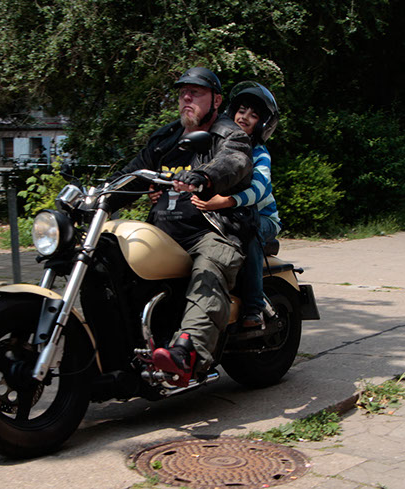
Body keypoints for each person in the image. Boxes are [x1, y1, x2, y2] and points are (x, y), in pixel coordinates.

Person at [110, 67, 253, 387]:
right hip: (163, 234)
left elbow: (233, 161)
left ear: (216, 100)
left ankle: (186, 354)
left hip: (211, 231)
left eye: (196, 92)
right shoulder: (165, 139)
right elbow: (132, 174)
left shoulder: (230, 135)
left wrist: (204, 176)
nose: (186, 97)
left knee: (211, 264)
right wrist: (98, 196)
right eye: (183, 92)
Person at [190, 81, 281, 329]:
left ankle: (254, 307)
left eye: (253, 115)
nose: (244, 117)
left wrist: (226, 201)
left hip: (261, 217)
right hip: (225, 213)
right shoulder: (216, 144)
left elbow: (259, 190)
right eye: (241, 111)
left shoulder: (259, 153)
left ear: (262, 124)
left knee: (249, 234)